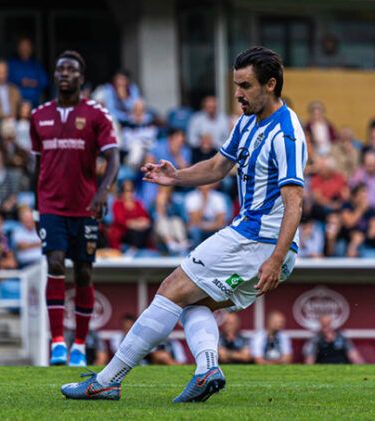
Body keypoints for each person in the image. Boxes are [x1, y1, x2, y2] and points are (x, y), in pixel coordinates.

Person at [62, 47, 304, 403]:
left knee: (171, 288)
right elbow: (218, 167)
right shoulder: (248, 122)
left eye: (246, 86)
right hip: (259, 244)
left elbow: (295, 201)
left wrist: (275, 256)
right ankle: (206, 370)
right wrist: (176, 178)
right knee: (195, 305)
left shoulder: (286, 133)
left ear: (270, 85)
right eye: (235, 84)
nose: (237, 93)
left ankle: (107, 380)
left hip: (258, 240)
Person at [31, 50, 120, 367]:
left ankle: (79, 345)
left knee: (83, 271)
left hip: (85, 208)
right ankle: (57, 342)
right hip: (51, 206)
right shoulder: (38, 116)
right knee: (55, 262)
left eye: (71, 70)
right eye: (60, 69)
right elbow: (38, 165)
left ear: (81, 78)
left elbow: (113, 158)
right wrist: (35, 204)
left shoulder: (97, 115)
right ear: (55, 76)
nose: (64, 73)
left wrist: (102, 192)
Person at [108, 180, 152, 252]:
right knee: (134, 233)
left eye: (132, 190)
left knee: (146, 230)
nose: (130, 193)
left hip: (139, 232)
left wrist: (135, 224)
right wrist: (136, 223)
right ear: (122, 192)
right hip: (124, 233)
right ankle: (132, 251)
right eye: (127, 191)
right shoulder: (118, 204)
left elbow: (146, 219)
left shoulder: (138, 203)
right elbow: (121, 221)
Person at [8, 37, 49, 108]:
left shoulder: (36, 65)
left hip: (35, 101)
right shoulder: (12, 64)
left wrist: (34, 83)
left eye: (27, 46)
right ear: (18, 48)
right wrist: (21, 81)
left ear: (31, 49)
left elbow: (45, 82)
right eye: (22, 46)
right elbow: (7, 79)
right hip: (17, 101)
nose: (25, 49)